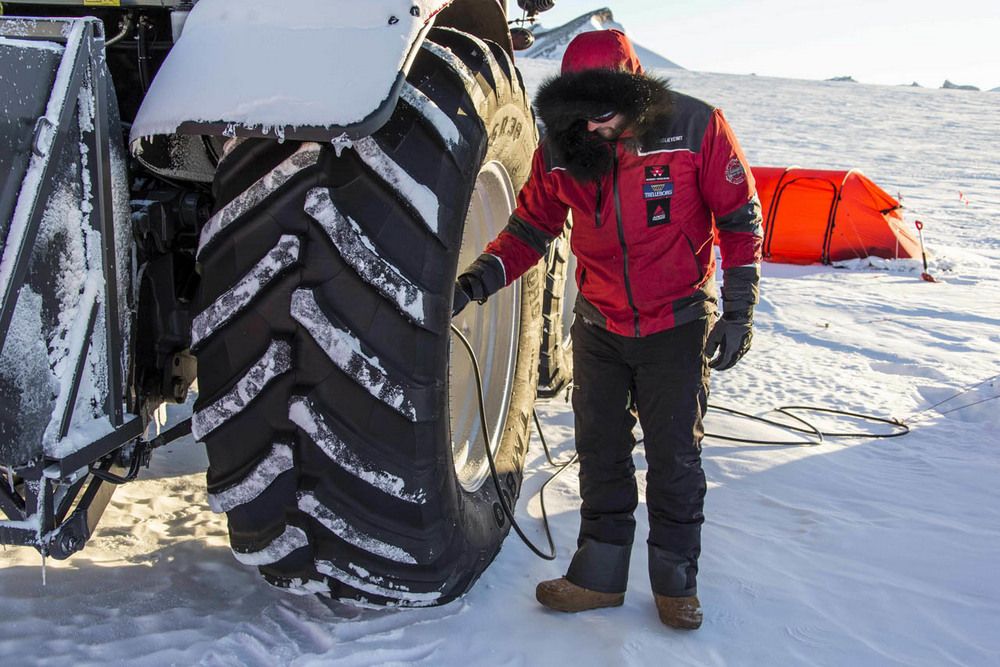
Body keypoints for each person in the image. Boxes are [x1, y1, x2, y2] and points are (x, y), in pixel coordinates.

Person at [452, 29, 763, 630]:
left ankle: (676, 583)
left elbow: (738, 217)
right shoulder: (561, 150)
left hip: (676, 323)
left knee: (674, 458)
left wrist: (739, 308)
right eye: (580, 116)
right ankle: (598, 575)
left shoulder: (697, 129)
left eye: (605, 115)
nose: (593, 129)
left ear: (635, 93)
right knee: (600, 452)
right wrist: (477, 281)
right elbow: (530, 229)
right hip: (599, 325)